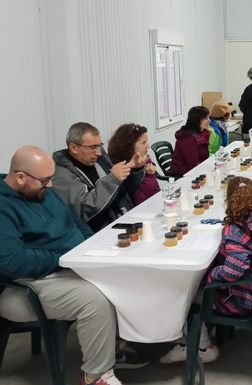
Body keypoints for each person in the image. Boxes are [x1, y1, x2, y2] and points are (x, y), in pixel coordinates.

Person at [0, 147, 150, 385]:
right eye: (44, 181)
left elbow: (73, 222)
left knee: (119, 276)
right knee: (95, 299)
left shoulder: (40, 190)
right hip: (31, 281)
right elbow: (12, 261)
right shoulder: (3, 207)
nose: (50, 186)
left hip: (68, 264)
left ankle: (111, 347)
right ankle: (96, 375)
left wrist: (89, 248)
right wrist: (65, 258)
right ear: (20, 177)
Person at [159, 177, 252, 364]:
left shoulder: (235, 232)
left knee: (182, 294)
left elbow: (233, 270)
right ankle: (193, 341)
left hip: (246, 297)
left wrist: (211, 275)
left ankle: (202, 347)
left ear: (227, 201)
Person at [53, 122, 146, 232]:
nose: (98, 153)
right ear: (74, 148)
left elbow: (122, 191)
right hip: (98, 233)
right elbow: (84, 209)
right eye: (93, 147)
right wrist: (112, 179)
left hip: (122, 221)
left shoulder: (99, 160)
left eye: (99, 146)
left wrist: (134, 169)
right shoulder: (61, 176)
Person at [108, 123, 160, 206]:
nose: (148, 146)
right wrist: (149, 177)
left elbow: (156, 192)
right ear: (129, 146)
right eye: (143, 143)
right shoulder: (120, 168)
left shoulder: (144, 159)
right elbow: (138, 202)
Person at [171, 106, 211, 176]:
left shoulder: (201, 133)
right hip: (185, 174)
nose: (209, 121)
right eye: (205, 118)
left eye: (208, 117)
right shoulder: (189, 139)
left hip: (196, 169)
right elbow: (193, 164)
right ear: (197, 121)